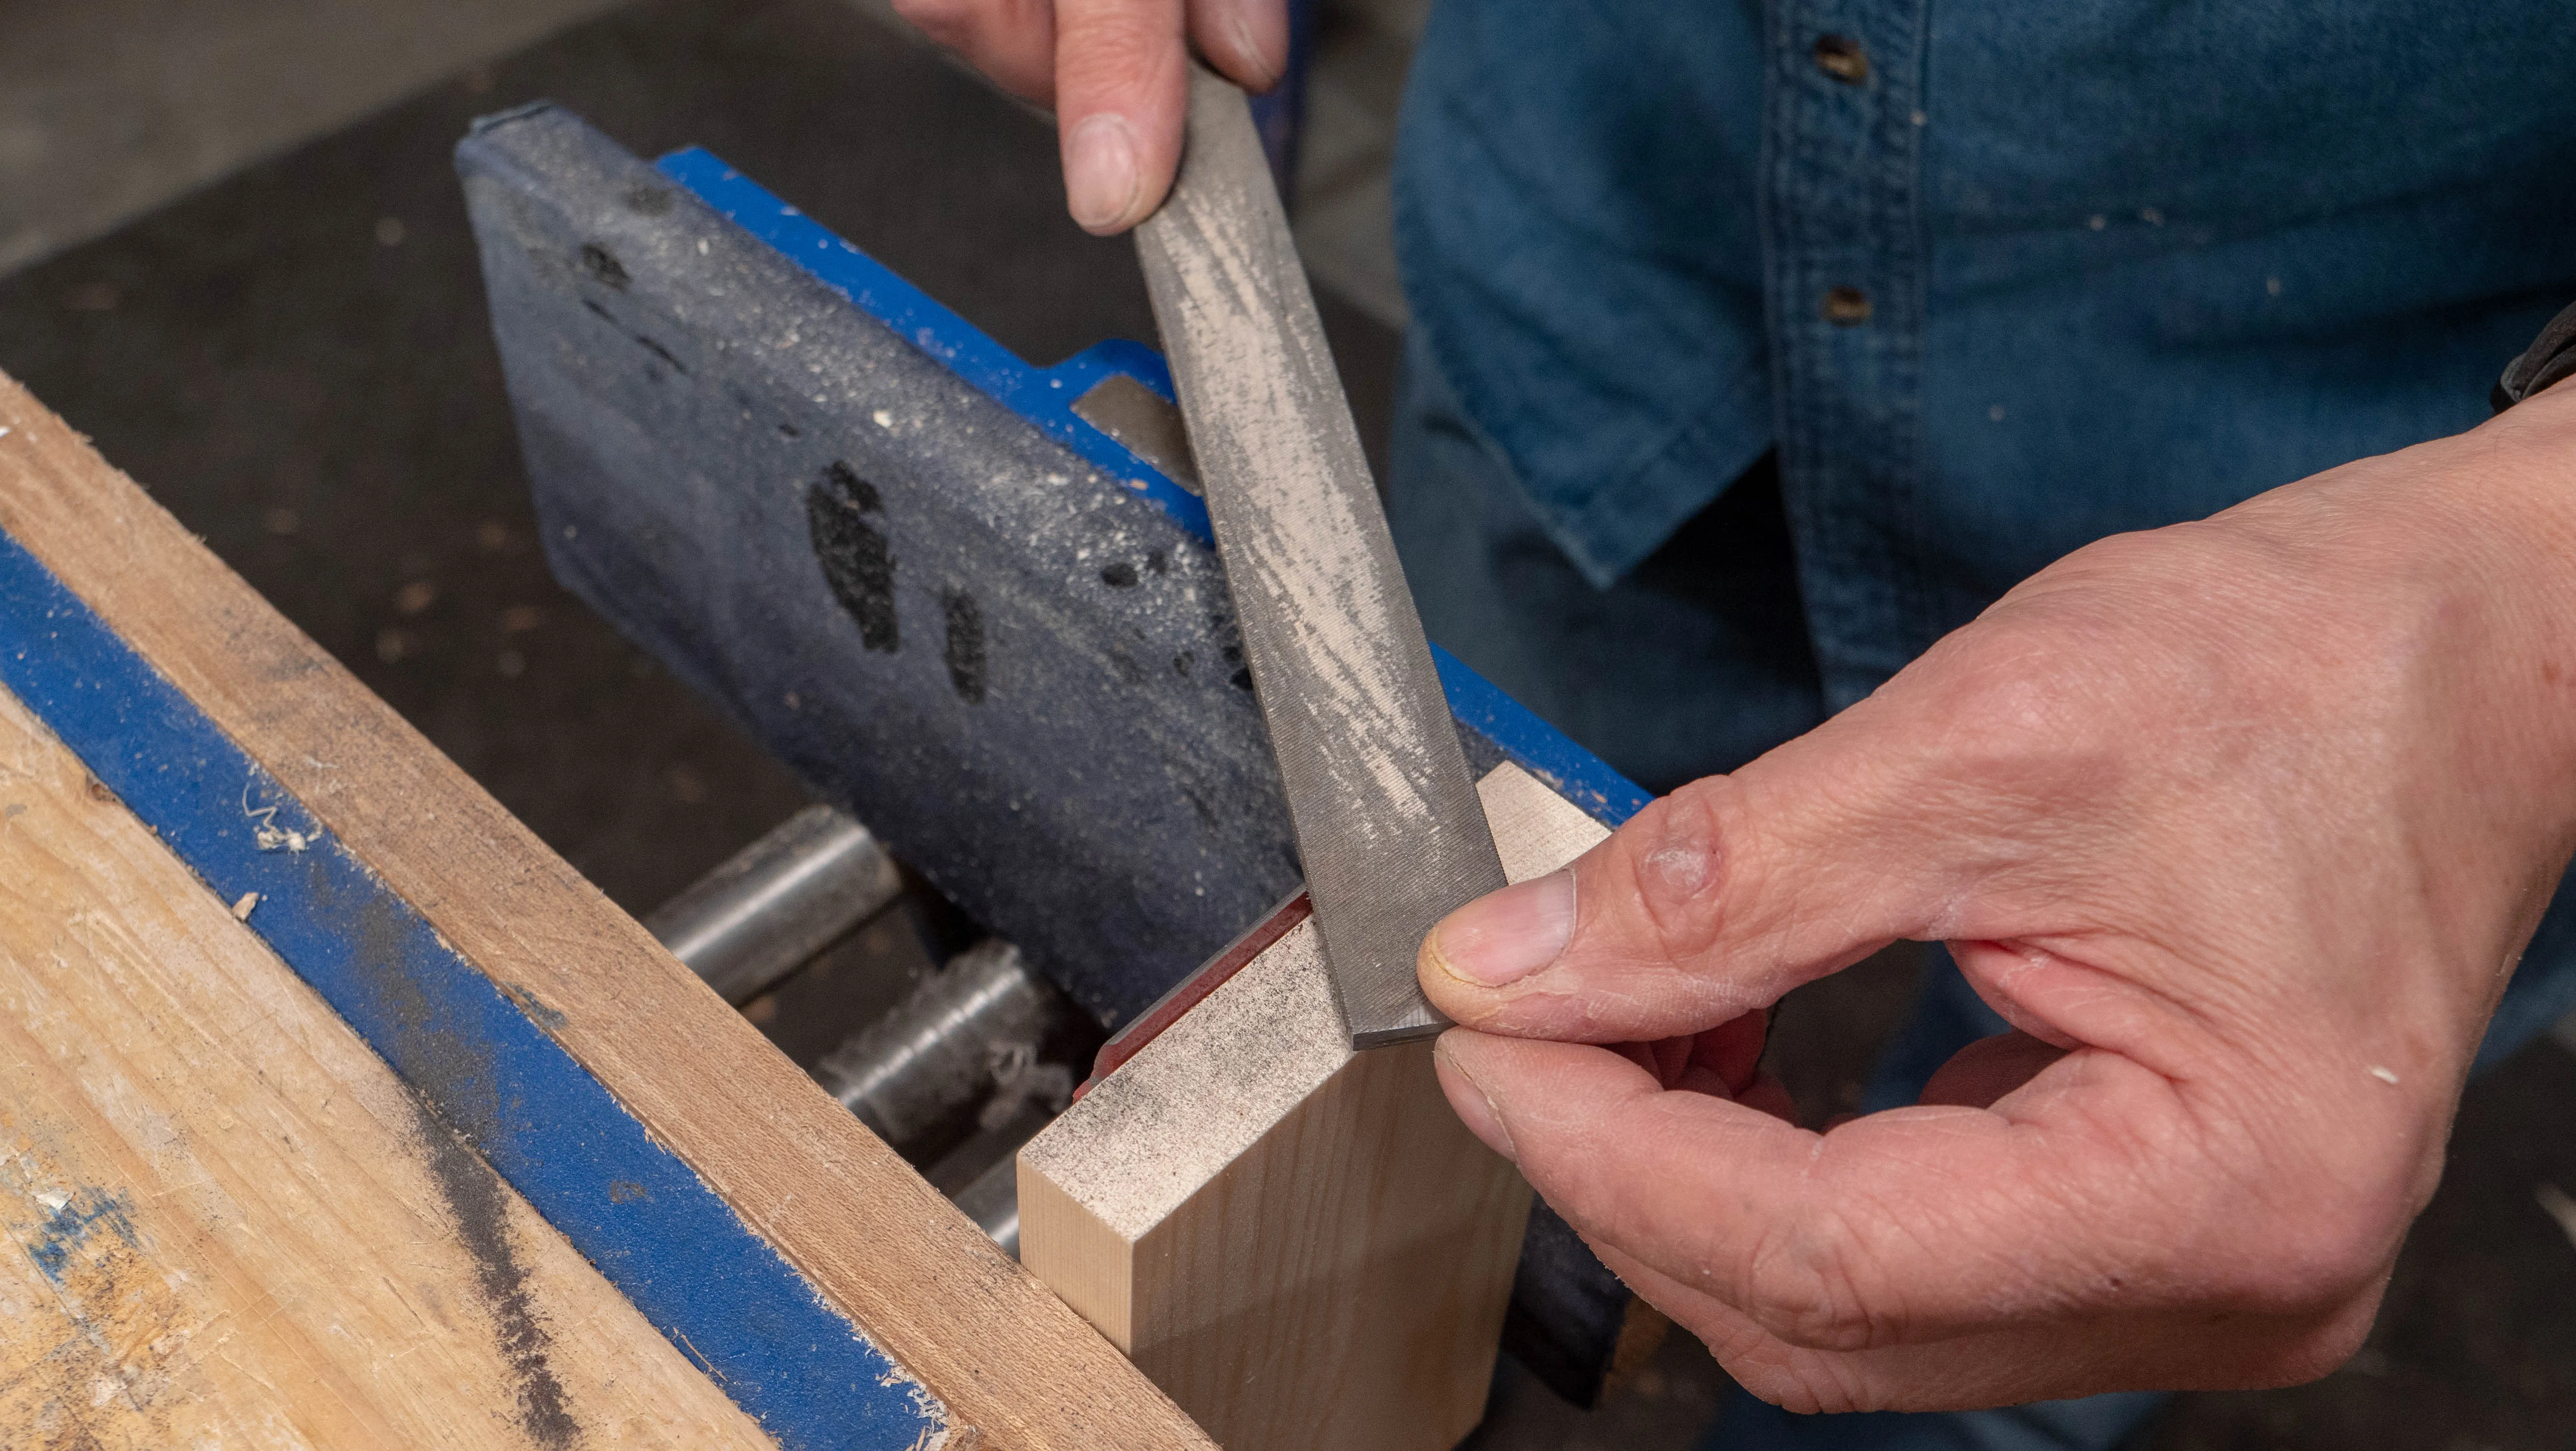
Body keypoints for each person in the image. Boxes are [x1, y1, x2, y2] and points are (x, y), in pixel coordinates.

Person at [887, 0, 2576, 1444]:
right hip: (1610, 295)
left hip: (2370, 490)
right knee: (1452, 1013)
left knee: (2023, 1291)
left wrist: (2528, 584)